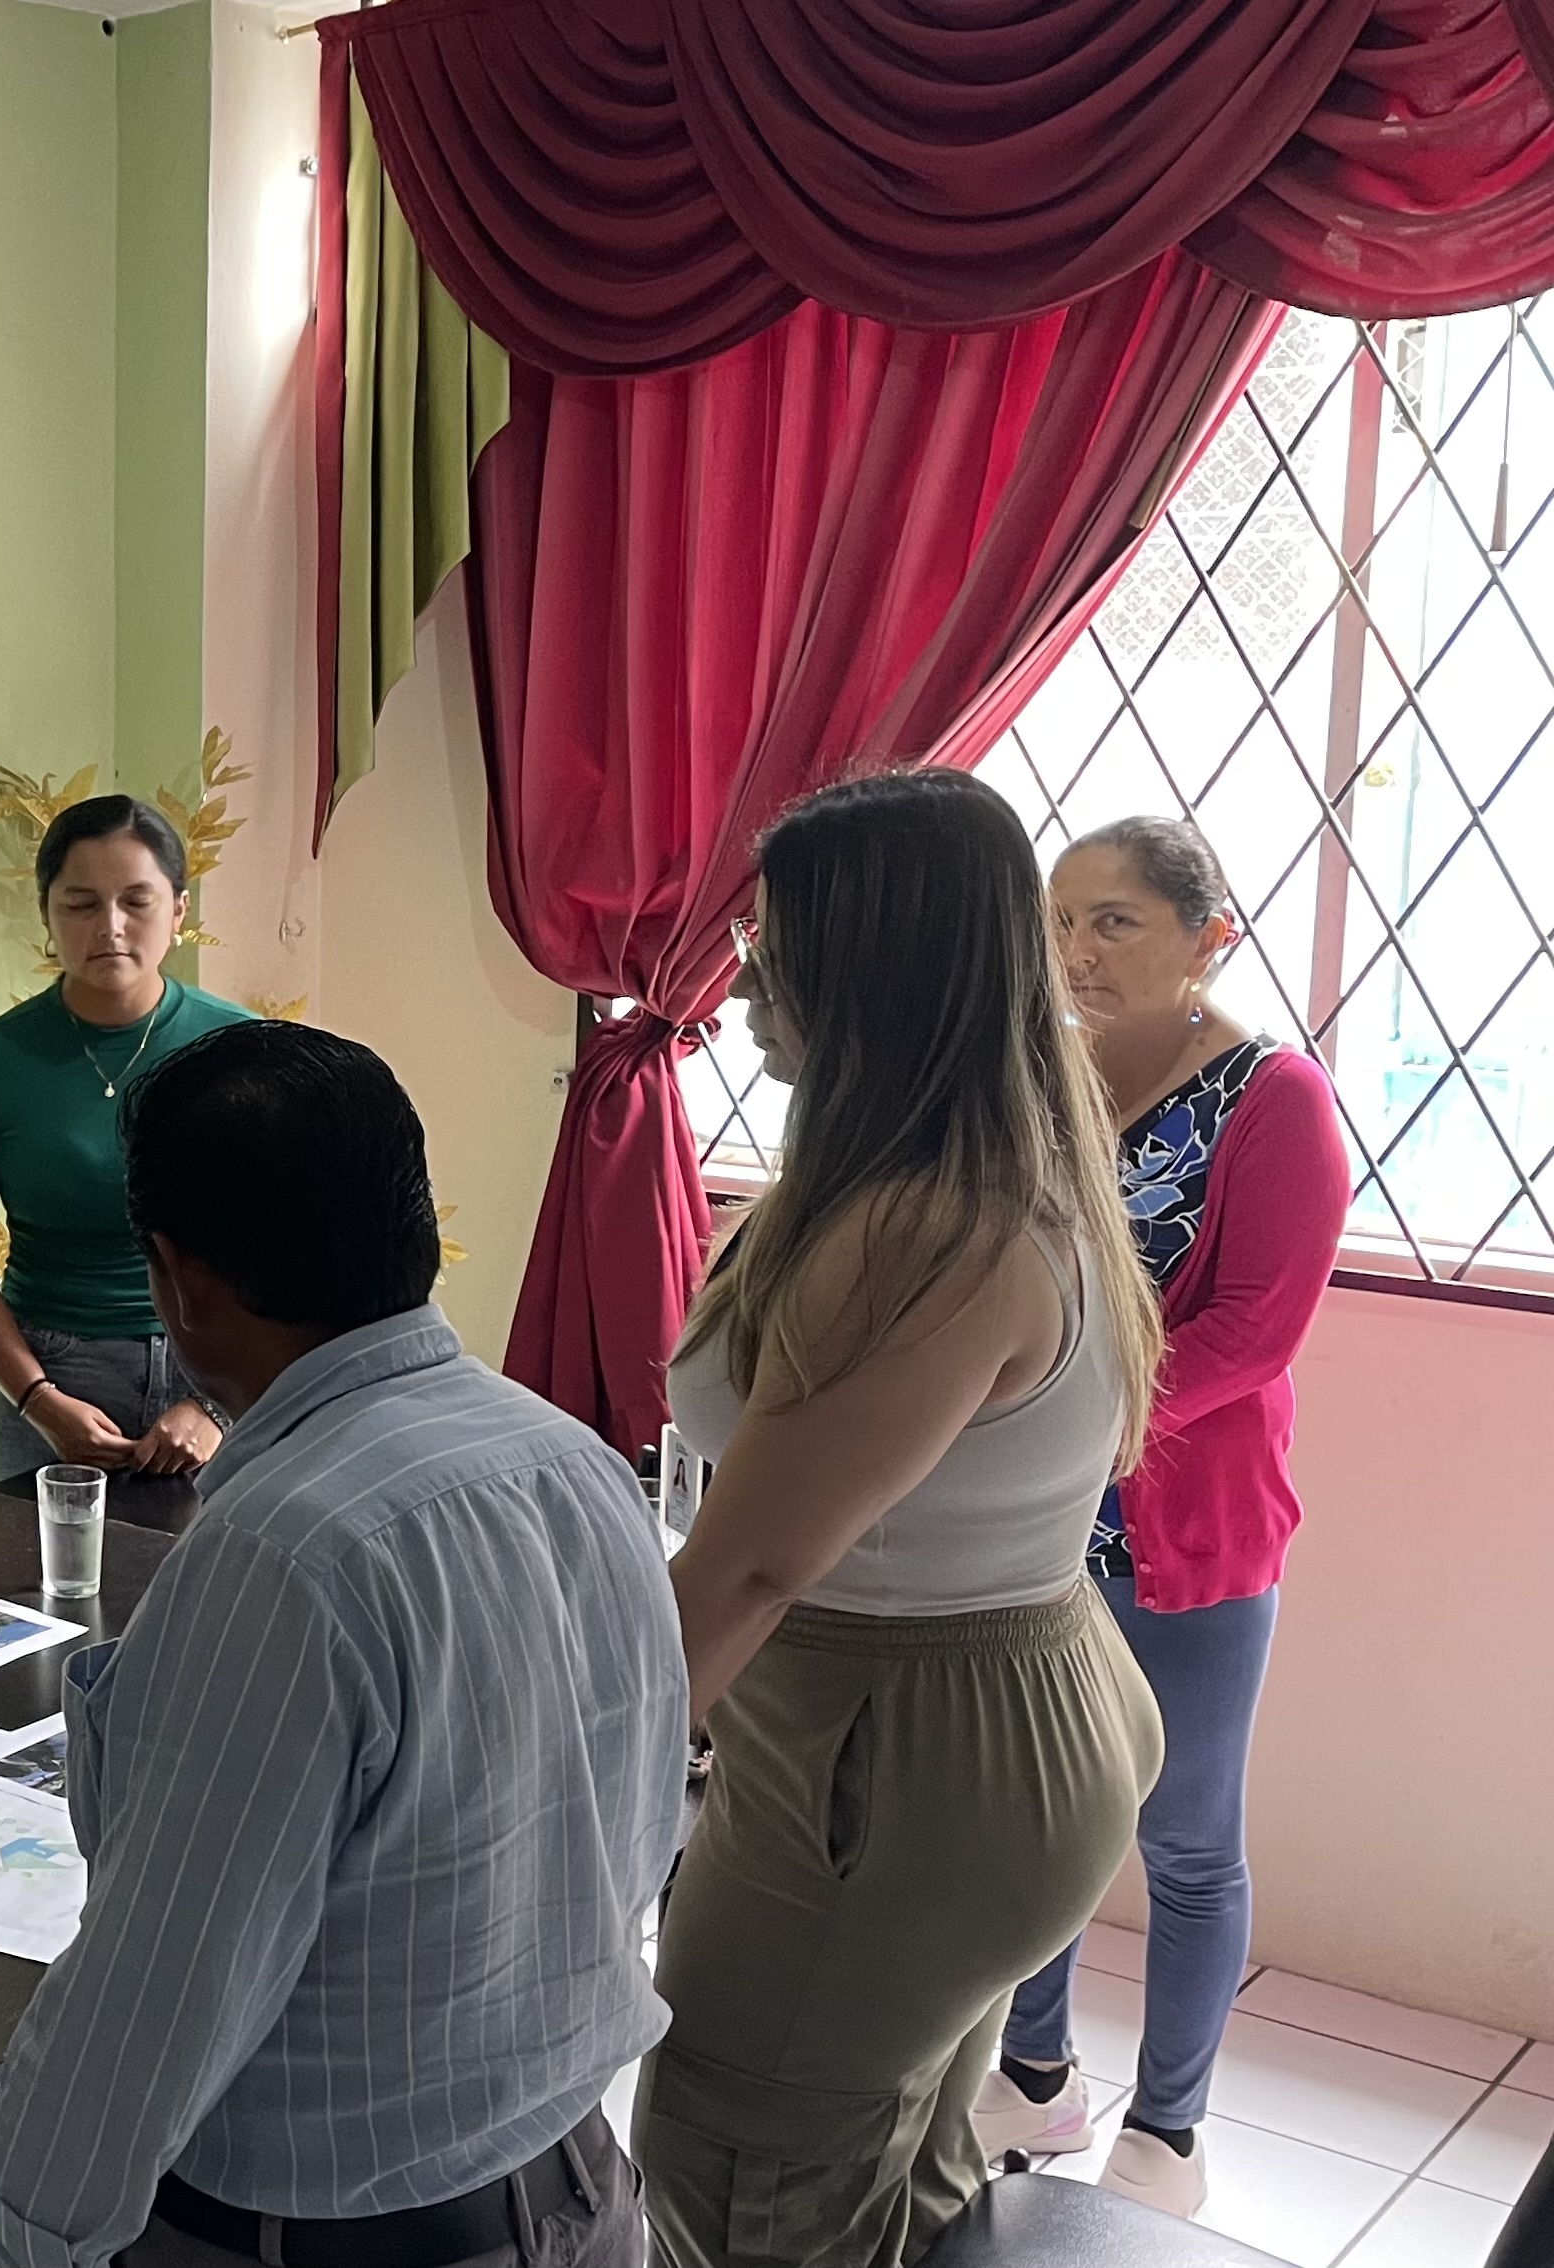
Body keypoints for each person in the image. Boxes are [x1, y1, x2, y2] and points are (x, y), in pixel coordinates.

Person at [0, 1020, 688, 2268]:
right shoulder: (571, 1460)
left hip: (335, 2235)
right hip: (576, 2188)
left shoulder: (286, 1553)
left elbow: (148, 2004)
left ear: (178, 1278)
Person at [643, 770, 1169, 2268]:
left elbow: (754, 1565)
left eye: (775, 949)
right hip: (991, 1718)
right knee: (890, 2157)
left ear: (876, 973)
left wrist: (559, 1785)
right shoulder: (994, 1170)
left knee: (746, 2155)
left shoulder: (923, 1228)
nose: (744, 982)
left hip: (901, 1752)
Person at [972, 818, 1347, 2217]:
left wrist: (1072, 1414)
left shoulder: (1276, 1099)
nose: (1076, 950)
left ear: (1209, 940)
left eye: (1115, 921)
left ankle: (1170, 2133)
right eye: (1061, 919)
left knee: (1184, 1842)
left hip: (1185, 1532)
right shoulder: (1045, 1076)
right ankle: (1035, 2072)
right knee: (1039, 1811)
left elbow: (1256, 1329)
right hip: (1036, 1513)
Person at [0, 795, 255, 1487]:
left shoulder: (242, 1049)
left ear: (179, 911)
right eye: (80, 904)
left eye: (137, 901)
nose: (110, 926)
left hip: (215, 1373)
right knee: (34, 1563)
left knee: (221, 1561)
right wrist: (38, 1400)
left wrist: (215, 1405)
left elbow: (289, 1241)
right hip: (43, 1376)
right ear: (46, 915)